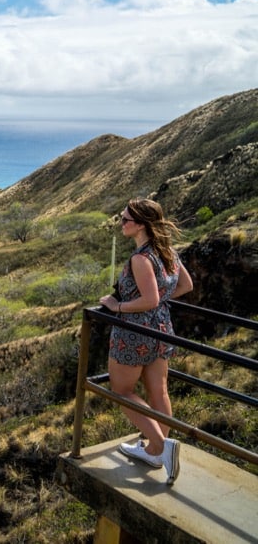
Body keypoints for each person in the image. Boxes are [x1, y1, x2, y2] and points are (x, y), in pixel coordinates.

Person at [98, 198, 193, 485]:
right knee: (158, 391)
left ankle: (161, 447)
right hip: (161, 329)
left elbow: (148, 299)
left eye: (126, 219)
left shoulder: (140, 259)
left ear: (141, 224)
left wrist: (116, 306)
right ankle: (155, 449)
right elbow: (185, 285)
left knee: (122, 390)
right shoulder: (167, 253)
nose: (122, 223)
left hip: (134, 334)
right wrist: (161, 299)